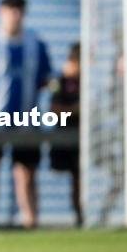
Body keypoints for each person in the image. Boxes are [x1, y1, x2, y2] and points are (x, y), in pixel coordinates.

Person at [0, 0, 52, 229]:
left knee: (27, 173)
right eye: (10, 10)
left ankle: (31, 221)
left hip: (27, 120)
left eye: (19, 11)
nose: (15, 16)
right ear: (1, 13)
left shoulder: (35, 44)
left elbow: (46, 81)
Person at [49, 42, 81, 227]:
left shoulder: (92, 82)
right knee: (74, 177)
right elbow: (54, 110)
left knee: (81, 178)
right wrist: (76, 110)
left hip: (88, 138)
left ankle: (83, 216)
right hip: (65, 137)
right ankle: (78, 215)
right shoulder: (59, 82)